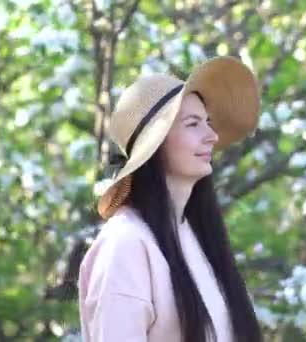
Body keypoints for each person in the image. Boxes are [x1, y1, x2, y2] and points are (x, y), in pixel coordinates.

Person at [77, 56, 263, 342]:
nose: (212, 136)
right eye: (193, 124)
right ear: (155, 143)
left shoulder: (194, 234)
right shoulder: (125, 244)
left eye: (208, 122)